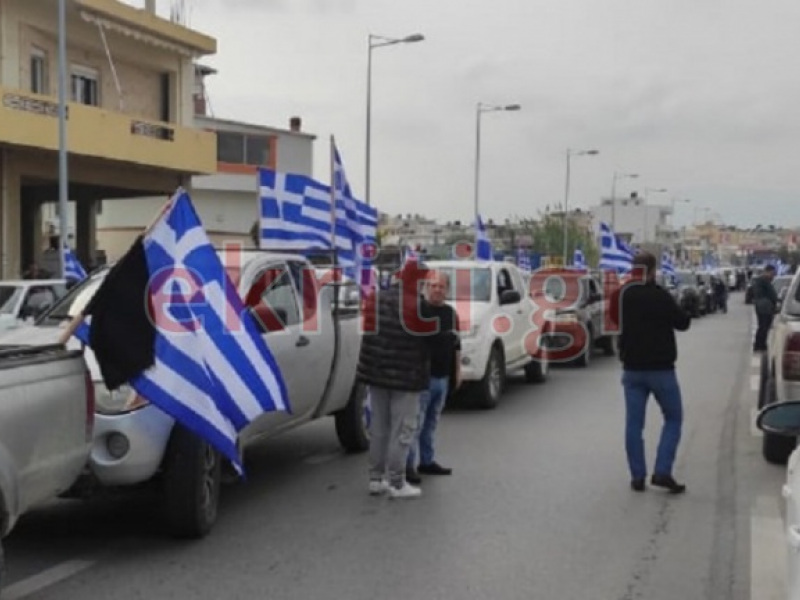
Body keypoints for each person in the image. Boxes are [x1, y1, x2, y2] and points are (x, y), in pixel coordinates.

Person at [357, 260, 434, 499]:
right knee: (402, 430)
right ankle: (397, 482)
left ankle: (375, 479)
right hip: (405, 376)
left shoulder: (376, 298)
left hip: (376, 373)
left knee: (379, 428)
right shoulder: (418, 306)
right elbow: (428, 341)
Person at [618, 252, 691, 494]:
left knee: (633, 425)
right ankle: (662, 471)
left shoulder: (625, 296)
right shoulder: (661, 296)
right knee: (673, 418)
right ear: (653, 270)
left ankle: (637, 476)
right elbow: (682, 323)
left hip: (632, 370)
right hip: (661, 370)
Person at [406, 270, 461, 484]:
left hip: (443, 377)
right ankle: (408, 466)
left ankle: (426, 462)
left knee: (431, 424)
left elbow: (457, 343)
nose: (437, 290)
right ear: (425, 287)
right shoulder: (418, 311)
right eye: (433, 285)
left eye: (441, 286)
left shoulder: (450, 313)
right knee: (415, 424)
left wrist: (457, 371)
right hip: (422, 378)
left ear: (447, 290)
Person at [752, 264, 779, 352]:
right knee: (764, 326)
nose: (773, 275)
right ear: (767, 272)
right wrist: (775, 302)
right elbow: (772, 294)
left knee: (763, 327)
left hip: (762, 306)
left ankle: (760, 344)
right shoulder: (764, 280)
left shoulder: (761, 281)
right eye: (772, 273)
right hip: (764, 307)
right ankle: (760, 345)